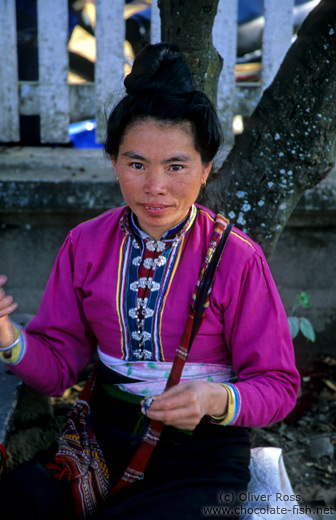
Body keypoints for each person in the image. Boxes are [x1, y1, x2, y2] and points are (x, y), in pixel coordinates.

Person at [0, 43, 300, 520]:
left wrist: (214, 398)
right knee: (21, 498)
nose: (155, 186)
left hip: (202, 458)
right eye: (136, 164)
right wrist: (8, 336)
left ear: (205, 171)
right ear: (115, 163)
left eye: (176, 166)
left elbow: (279, 385)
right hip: (102, 444)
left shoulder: (237, 259)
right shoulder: (85, 245)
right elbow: (59, 370)